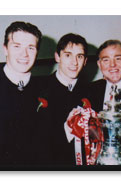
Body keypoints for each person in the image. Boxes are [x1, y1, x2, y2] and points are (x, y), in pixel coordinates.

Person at [0, 21, 42, 168]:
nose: (24, 54)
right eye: (17, 46)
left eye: (31, 48)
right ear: (5, 49)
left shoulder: (44, 88)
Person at [37, 33, 88, 165]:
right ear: (57, 57)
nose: (74, 62)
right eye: (68, 55)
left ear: (85, 61)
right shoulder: (38, 89)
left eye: (80, 56)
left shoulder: (91, 91)